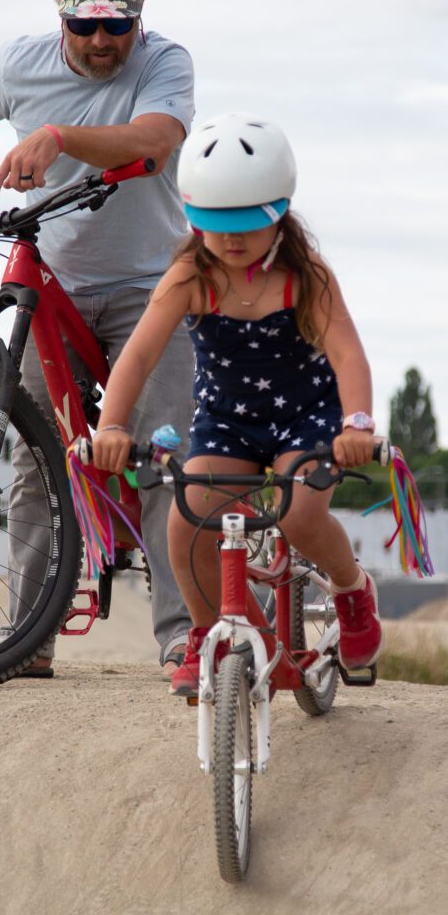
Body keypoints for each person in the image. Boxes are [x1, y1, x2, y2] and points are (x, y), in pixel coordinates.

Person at [0, 0, 196, 678]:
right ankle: (28, 638)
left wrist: (60, 137)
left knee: (161, 454)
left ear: (138, 17)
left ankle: (181, 635)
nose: (102, 41)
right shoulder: (17, 64)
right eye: (86, 24)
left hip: (150, 286)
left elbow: (157, 143)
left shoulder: (165, 63)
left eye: (117, 24)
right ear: (61, 17)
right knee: (38, 459)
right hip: (53, 279)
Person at [92, 112, 383, 696]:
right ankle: (211, 634)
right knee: (187, 518)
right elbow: (139, 357)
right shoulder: (189, 275)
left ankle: (352, 591)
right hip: (228, 423)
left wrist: (357, 424)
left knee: (300, 516)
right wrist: (112, 425)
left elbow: (348, 355)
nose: (229, 239)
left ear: (279, 212)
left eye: (246, 224)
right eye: (213, 223)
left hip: (308, 419)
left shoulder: (306, 276)